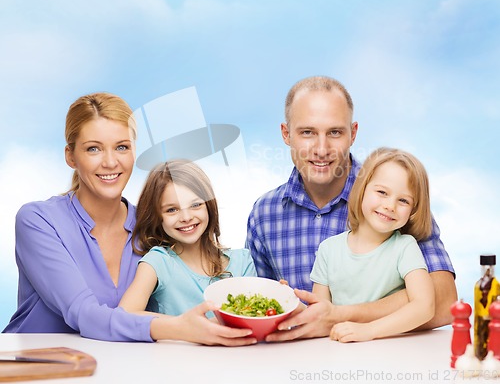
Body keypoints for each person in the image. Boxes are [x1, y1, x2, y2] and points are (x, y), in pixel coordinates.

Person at [3, 92, 256, 346]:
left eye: (121, 147)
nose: (111, 162)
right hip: (34, 366)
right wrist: (179, 327)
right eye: (93, 149)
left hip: (117, 370)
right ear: (70, 156)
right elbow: (82, 314)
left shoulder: (152, 226)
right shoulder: (38, 221)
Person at [245, 75, 457, 341]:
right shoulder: (264, 215)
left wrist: (342, 316)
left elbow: (444, 301)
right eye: (307, 132)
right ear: (286, 134)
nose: (321, 149)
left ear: (353, 133)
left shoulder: (389, 200)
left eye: (335, 132)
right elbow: (256, 308)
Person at [311, 147, 435, 342]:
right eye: (382, 192)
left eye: (403, 200)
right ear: (362, 189)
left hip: (389, 352)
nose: (390, 206)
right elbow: (320, 314)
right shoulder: (328, 249)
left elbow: (425, 306)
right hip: (339, 351)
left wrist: (369, 331)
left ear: (413, 209)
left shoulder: (404, 247)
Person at [118, 159, 257, 316]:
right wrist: (186, 327)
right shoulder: (158, 263)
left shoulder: (242, 261)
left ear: (209, 205)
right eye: (172, 210)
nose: (186, 217)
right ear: (157, 217)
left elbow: (254, 316)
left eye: (196, 205)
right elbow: (125, 315)